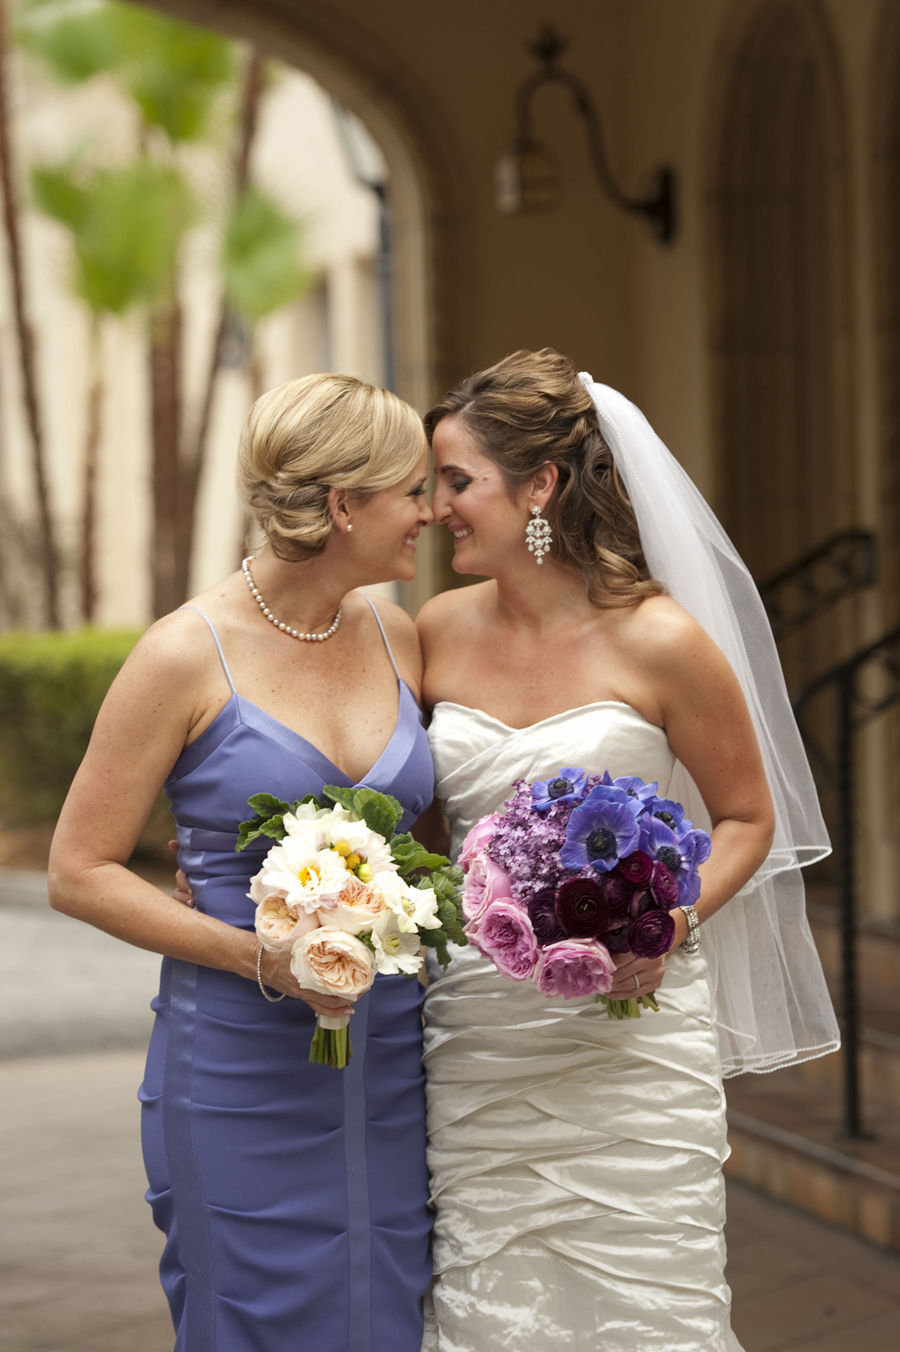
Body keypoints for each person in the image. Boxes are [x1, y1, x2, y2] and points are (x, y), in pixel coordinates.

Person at [414, 348, 839, 1351]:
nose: (436, 507)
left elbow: (745, 815)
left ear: (541, 486)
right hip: (481, 1033)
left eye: (458, 481)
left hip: (631, 1031)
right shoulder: (433, 633)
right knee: (486, 1298)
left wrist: (674, 917)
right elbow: (426, 834)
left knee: (649, 1303)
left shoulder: (659, 638)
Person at [47, 373, 437, 1352]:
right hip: (236, 1064)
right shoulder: (183, 654)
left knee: (391, 1306)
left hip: (392, 1058)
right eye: (413, 490)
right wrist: (257, 955)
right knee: (251, 1322)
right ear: (345, 504)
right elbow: (78, 868)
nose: (430, 512)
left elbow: (427, 840)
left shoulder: (399, 633)